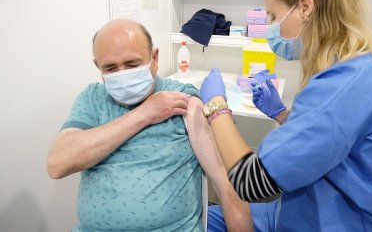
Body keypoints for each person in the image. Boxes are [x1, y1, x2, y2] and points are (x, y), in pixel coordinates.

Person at [197, 0, 372, 231]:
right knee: (204, 219)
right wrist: (282, 115)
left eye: (274, 16)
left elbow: (251, 181)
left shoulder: (346, 85)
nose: (271, 28)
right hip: (299, 206)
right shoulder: (356, 70)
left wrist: (216, 106)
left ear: (305, 7)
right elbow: (330, 145)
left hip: (344, 222)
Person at [47, 19, 252, 231]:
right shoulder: (92, 98)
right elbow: (57, 163)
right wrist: (144, 113)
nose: (122, 74)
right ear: (97, 67)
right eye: (110, 68)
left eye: (132, 64)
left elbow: (228, 186)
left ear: (154, 59)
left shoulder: (183, 100)